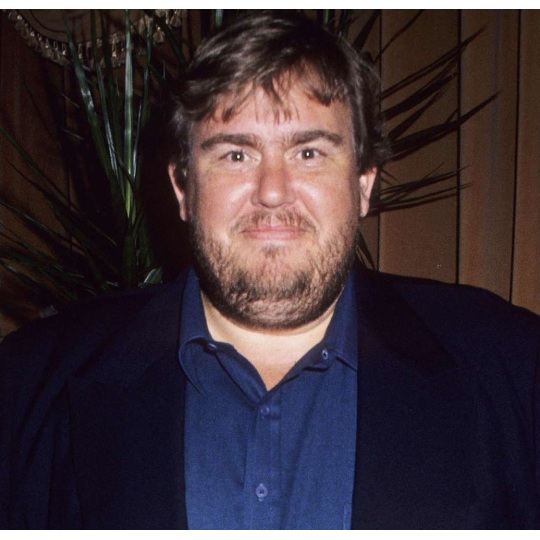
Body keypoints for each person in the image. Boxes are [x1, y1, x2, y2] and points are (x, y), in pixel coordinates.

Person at [1, 11, 539, 530]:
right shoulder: (28, 387)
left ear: (363, 184)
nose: (273, 192)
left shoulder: (513, 369)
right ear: (183, 188)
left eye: (309, 153)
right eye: (236, 155)